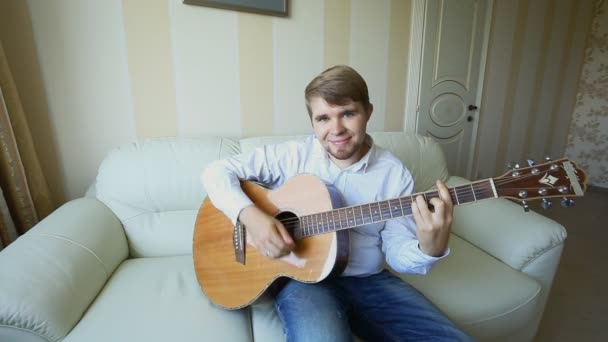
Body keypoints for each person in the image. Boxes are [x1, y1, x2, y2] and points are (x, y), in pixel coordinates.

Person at [202, 65, 472, 341]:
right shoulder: (293, 155)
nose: (337, 129)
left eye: (348, 113)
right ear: (312, 123)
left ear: (368, 111)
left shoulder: (394, 173)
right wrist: (251, 218)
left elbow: (396, 249)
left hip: (369, 281)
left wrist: (430, 247)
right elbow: (215, 172)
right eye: (323, 118)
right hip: (304, 281)